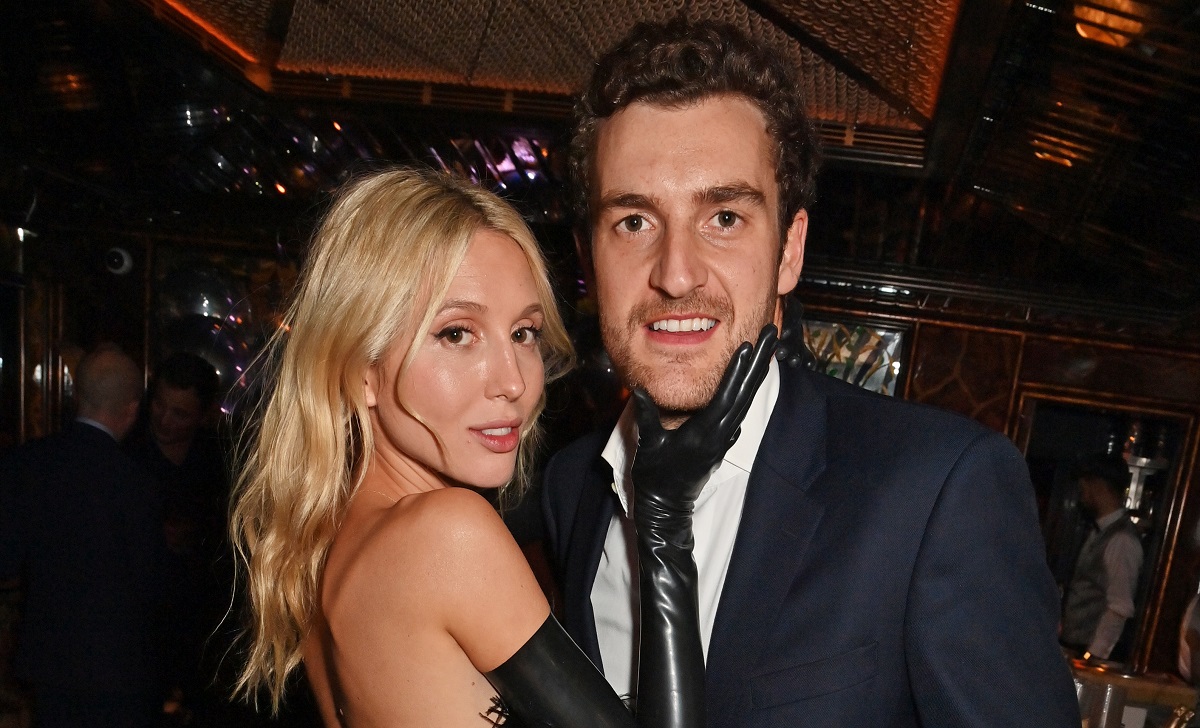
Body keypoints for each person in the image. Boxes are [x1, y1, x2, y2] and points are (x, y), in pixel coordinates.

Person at [541, 17, 1082, 726]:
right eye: (634, 222)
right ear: (589, 258)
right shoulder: (573, 487)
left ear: (789, 250)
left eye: (724, 218)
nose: (675, 274)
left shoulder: (937, 491)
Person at [229, 167, 772, 727]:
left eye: (523, 334)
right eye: (456, 334)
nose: (513, 381)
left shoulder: (326, 545)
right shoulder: (447, 534)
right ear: (360, 367)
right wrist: (665, 529)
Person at [0, 344, 168, 728]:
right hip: (119, 669)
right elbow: (152, 586)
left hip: (48, 663)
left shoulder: (25, 464)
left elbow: (6, 558)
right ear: (132, 409)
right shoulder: (137, 483)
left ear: (76, 396)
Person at [127, 351, 229, 718]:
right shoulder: (128, 452)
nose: (164, 419)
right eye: (159, 405)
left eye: (180, 413)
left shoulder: (220, 459)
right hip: (138, 627)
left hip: (205, 625)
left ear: (204, 416)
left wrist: (201, 535)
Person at [1061, 453, 1143, 662]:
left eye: (1084, 488)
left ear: (1097, 485)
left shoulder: (1122, 540)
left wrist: (1092, 655)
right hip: (1075, 648)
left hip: (1088, 654)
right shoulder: (1099, 531)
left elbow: (1120, 607)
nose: (1081, 495)